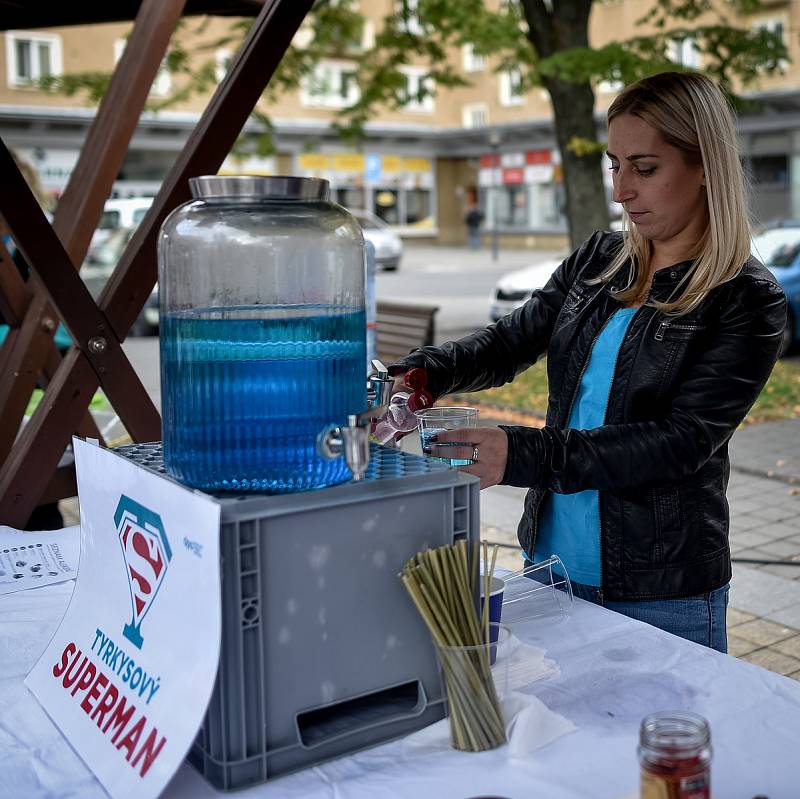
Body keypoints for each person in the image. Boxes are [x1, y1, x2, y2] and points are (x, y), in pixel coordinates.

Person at [388, 71, 787, 653]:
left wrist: (520, 452)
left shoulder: (746, 297)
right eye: (614, 165)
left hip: (661, 591)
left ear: (706, 168)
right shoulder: (599, 261)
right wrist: (419, 376)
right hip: (550, 564)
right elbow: (507, 343)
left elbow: (679, 442)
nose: (622, 190)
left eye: (644, 169)